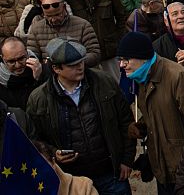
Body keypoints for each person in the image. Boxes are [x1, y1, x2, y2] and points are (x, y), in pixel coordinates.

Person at [27, 39, 135, 195]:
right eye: (72, 65)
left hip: (111, 174)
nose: (80, 67)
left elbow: (126, 122)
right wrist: (54, 153)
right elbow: (36, 139)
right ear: (56, 68)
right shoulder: (39, 99)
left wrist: (126, 160)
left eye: (81, 62)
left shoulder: (104, 83)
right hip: (73, 181)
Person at [117, 31, 184, 195]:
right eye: (120, 60)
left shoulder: (178, 77)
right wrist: (142, 125)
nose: (122, 65)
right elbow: (160, 111)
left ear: (143, 57)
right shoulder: (142, 77)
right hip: (162, 169)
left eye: (125, 59)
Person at [65, 0, 128, 80]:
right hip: (85, 52)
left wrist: (117, 40)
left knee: (115, 84)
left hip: (109, 51)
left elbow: (122, 18)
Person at [27, 0, 102, 67]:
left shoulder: (83, 25)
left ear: (64, 7)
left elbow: (95, 54)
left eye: (57, 14)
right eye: (48, 16)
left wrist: (75, 63)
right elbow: (32, 55)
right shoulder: (36, 29)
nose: (53, 19)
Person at [0, 36, 45, 109]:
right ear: (3, 58)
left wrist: (39, 78)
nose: (17, 65)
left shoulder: (41, 70)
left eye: (21, 58)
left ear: (27, 53)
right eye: (11, 61)